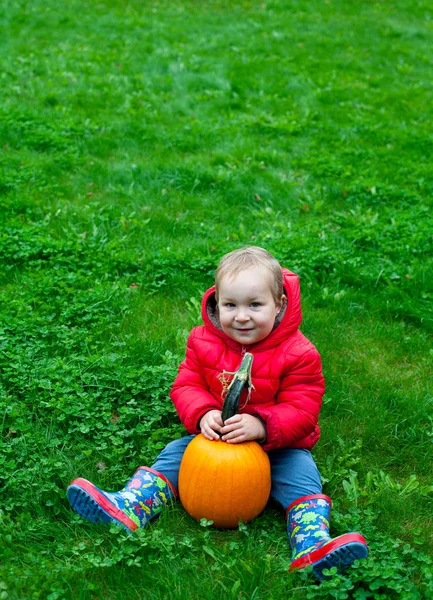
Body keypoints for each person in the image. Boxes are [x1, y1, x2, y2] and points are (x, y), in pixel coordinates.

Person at [67, 246, 368, 579]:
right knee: (173, 457)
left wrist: (263, 426)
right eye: (230, 305)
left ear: (279, 304)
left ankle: (312, 545)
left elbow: (303, 407)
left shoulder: (299, 353)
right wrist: (202, 414)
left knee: (302, 477)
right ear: (216, 303)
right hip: (216, 439)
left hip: (281, 446)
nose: (241, 316)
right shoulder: (202, 341)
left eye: (255, 305)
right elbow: (186, 386)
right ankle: (129, 505)